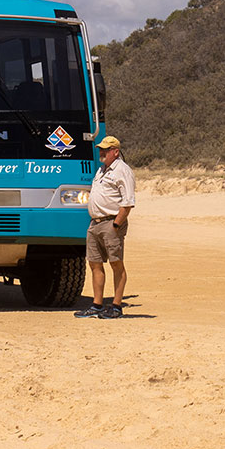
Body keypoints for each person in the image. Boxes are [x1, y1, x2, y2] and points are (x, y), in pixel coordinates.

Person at [75, 135, 135, 319]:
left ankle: (116, 306)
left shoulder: (122, 171)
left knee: (116, 264)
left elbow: (127, 202)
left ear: (115, 152)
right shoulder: (102, 170)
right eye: (101, 149)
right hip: (95, 224)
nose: (102, 152)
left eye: (106, 150)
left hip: (111, 223)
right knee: (95, 264)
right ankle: (97, 305)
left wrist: (116, 224)